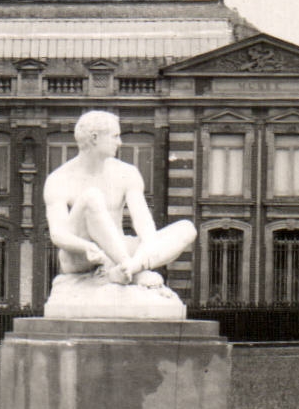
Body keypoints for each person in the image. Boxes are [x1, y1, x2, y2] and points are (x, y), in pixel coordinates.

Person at [43, 110, 195, 287]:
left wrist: (142, 253)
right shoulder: (59, 178)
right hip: (82, 255)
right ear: (94, 138)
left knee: (186, 228)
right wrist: (86, 247)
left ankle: (130, 269)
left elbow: (145, 226)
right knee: (92, 196)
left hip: (120, 249)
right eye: (115, 136)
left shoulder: (127, 173)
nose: (120, 142)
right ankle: (128, 268)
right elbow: (58, 234)